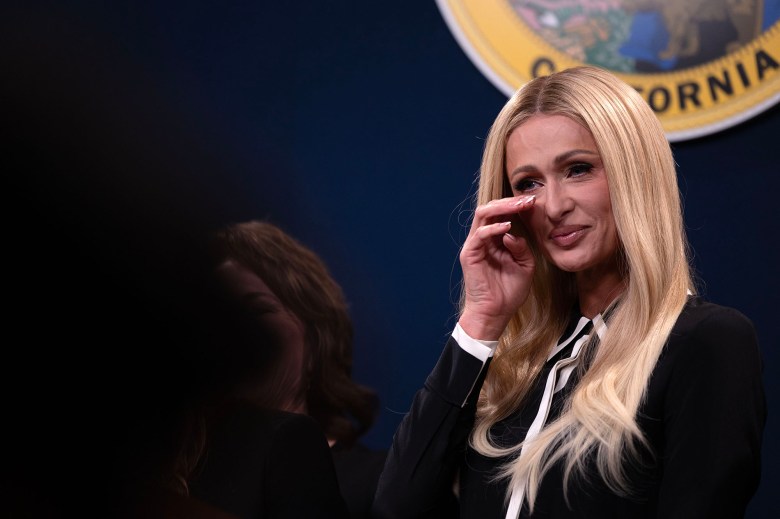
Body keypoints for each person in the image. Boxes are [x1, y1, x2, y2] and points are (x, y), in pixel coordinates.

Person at [372, 66, 766, 518]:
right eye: (528, 184)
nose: (554, 206)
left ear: (633, 174)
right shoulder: (512, 364)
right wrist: (481, 318)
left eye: (578, 170)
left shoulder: (705, 341)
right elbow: (396, 508)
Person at [190, 221, 386, 519]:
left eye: (258, 310)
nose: (234, 331)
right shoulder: (175, 474)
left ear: (317, 340)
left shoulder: (382, 485)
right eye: (220, 315)